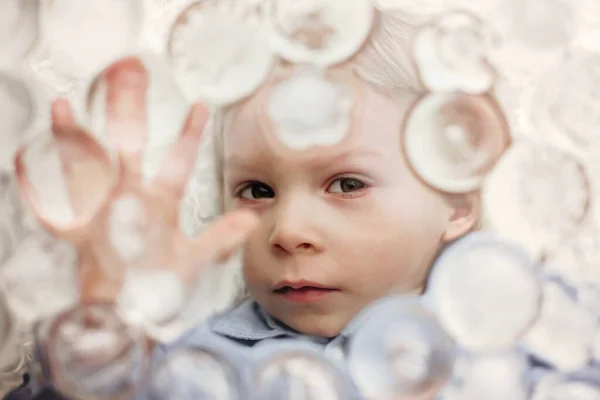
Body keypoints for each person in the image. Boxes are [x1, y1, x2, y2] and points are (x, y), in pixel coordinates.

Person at [4, 7, 480, 400]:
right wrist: (103, 326)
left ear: (457, 201)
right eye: (257, 191)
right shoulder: (189, 354)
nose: (288, 231)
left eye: (347, 183)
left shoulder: (508, 347)